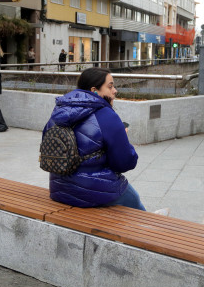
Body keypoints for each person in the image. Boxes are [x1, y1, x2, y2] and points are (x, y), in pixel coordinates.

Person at [43, 67, 144, 209]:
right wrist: (123, 139)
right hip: (92, 192)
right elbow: (124, 163)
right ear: (94, 90)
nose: (115, 90)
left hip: (59, 189)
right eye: (110, 86)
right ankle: (151, 226)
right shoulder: (107, 116)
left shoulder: (59, 111)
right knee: (133, 198)